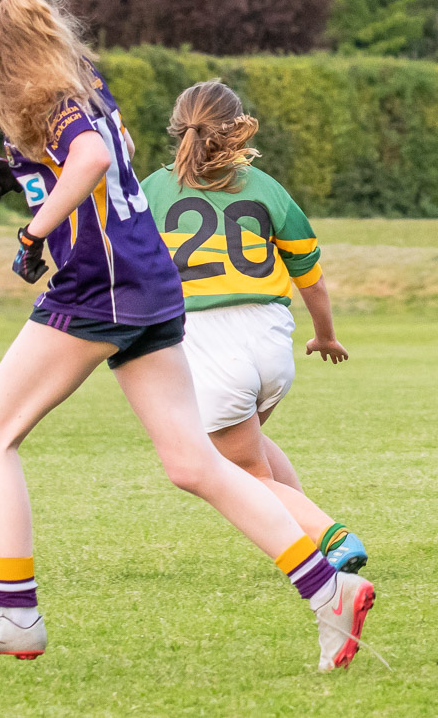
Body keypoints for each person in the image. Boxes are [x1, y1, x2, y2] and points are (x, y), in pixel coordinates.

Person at [0, 0, 374, 671]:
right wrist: (26, 174)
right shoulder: (81, 76)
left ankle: (16, 613)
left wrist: (36, 230)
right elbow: (121, 145)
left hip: (97, 286)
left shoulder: (36, 90)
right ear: (51, 12)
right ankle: (329, 590)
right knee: (192, 462)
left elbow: (95, 157)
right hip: (150, 279)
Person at [139, 79, 367, 573]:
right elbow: (313, 280)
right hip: (270, 337)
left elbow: (129, 266)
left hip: (208, 342)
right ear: (236, 128)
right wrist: (325, 335)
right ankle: (308, 533)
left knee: (237, 471)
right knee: (250, 450)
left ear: (178, 129)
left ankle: (330, 537)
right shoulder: (266, 188)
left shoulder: (151, 192)